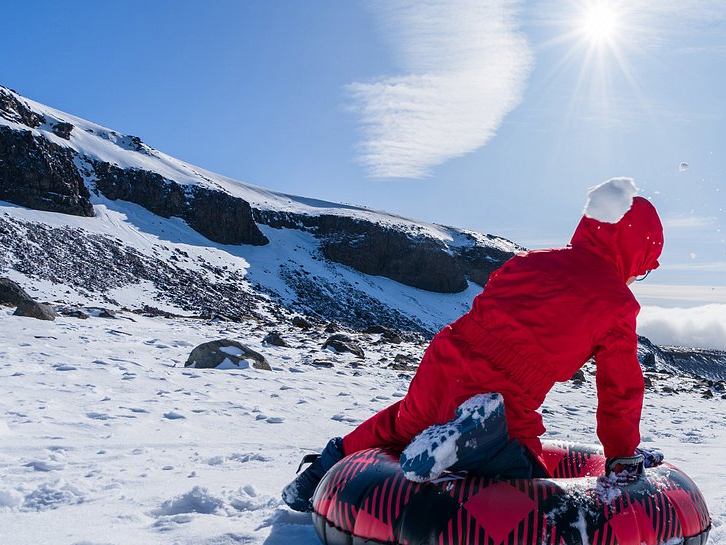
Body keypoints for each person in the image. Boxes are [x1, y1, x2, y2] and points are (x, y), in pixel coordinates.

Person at [282, 178, 665, 511]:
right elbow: (619, 392)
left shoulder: (531, 260)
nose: (637, 278)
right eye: (643, 269)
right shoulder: (617, 304)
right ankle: (481, 438)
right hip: (503, 397)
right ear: (633, 255)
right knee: (533, 485)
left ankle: (317, 475)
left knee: (401, 422)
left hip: (443, 361)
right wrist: (622, 456)